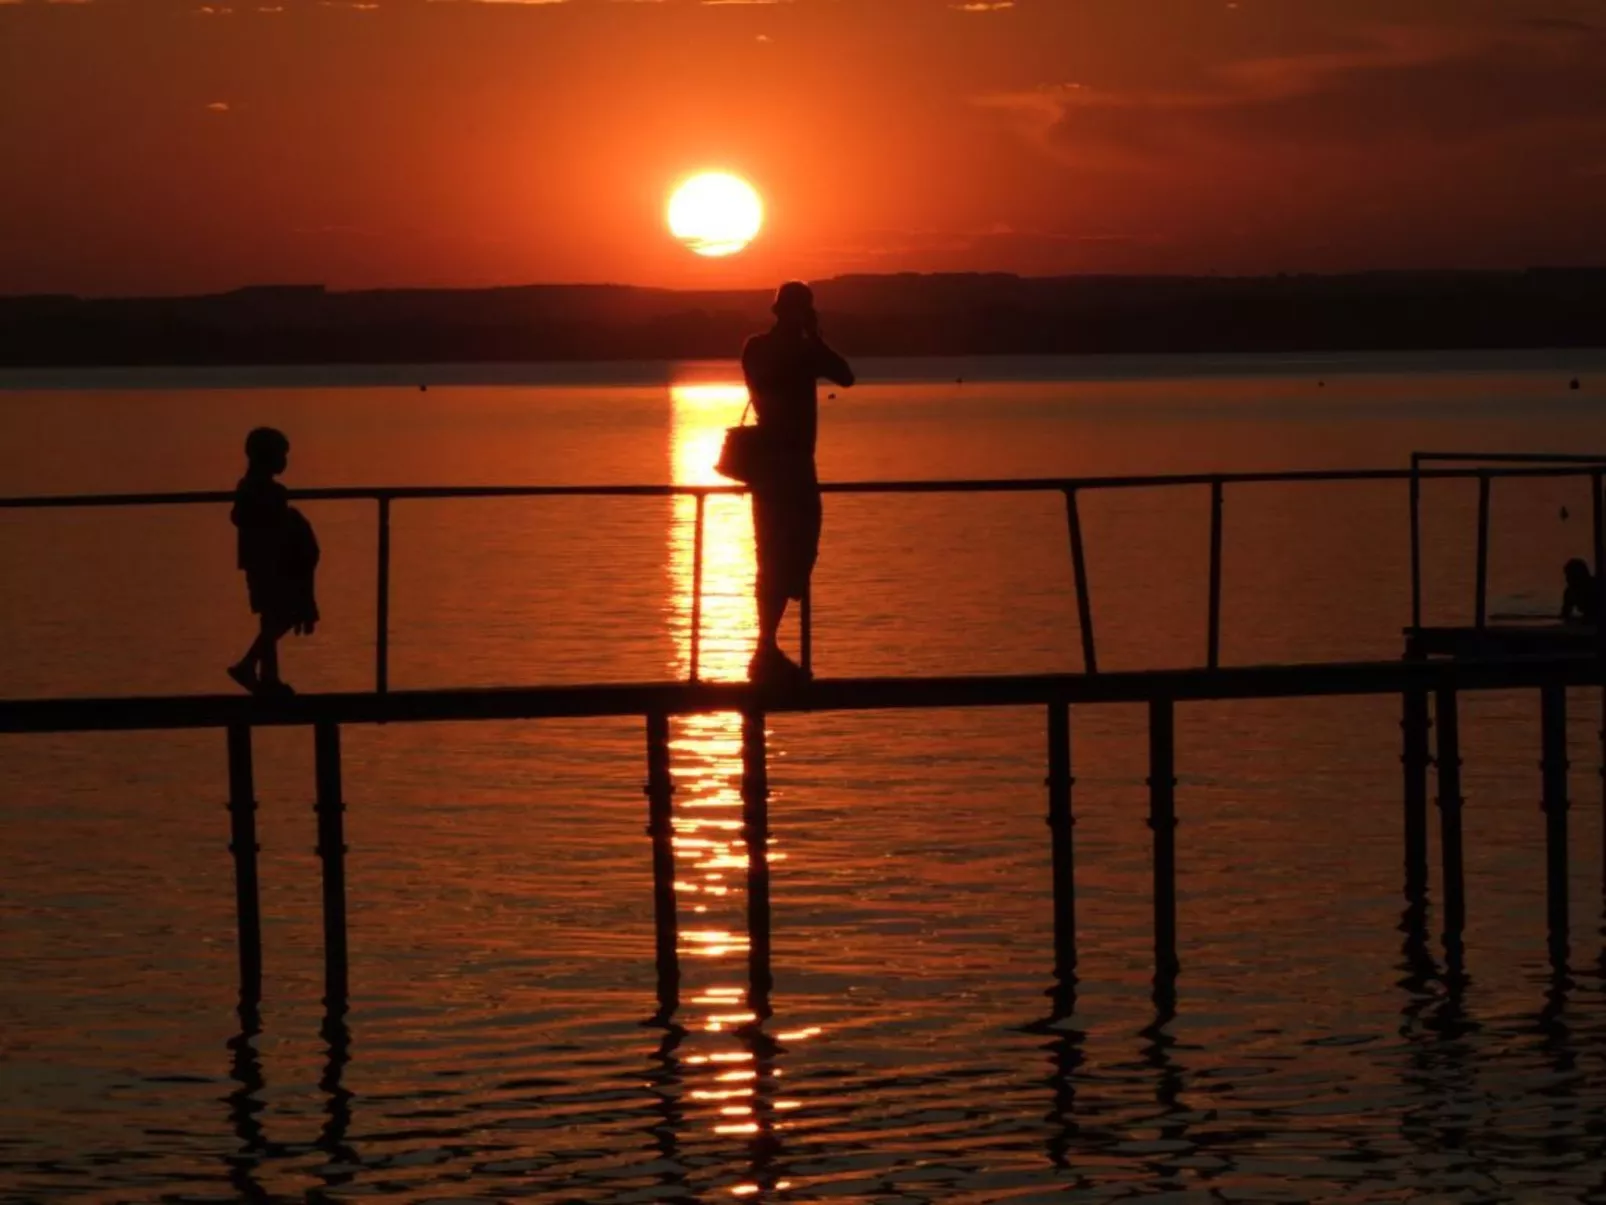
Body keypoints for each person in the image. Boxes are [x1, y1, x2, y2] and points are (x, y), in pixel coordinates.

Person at [740, 281, 855, 681]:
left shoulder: (757, 348)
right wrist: (814, 340)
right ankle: (765, 648)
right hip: (790, 467)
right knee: (791, 552)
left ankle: (765, 647)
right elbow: (846, 375)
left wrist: (810, 342)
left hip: (771, 468)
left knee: (774, 554)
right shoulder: (799, 352)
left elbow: (844, 378)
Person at [228, 427, 320, 695]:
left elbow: (240, 518)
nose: (285, 461)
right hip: (272, 563)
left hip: (257, 563)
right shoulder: (273, 493)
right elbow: (276, 530)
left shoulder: (245, 488)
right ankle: (249, 664)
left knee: (270, 618)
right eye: (282, 455)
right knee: (286, 614)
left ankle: (269, 678)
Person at [1561, 557, 1596, 623]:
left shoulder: (1594, 587)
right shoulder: (1570, 592)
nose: (1567, 579)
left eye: (1570, 576)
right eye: (1567, 575)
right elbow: (1565, 614)